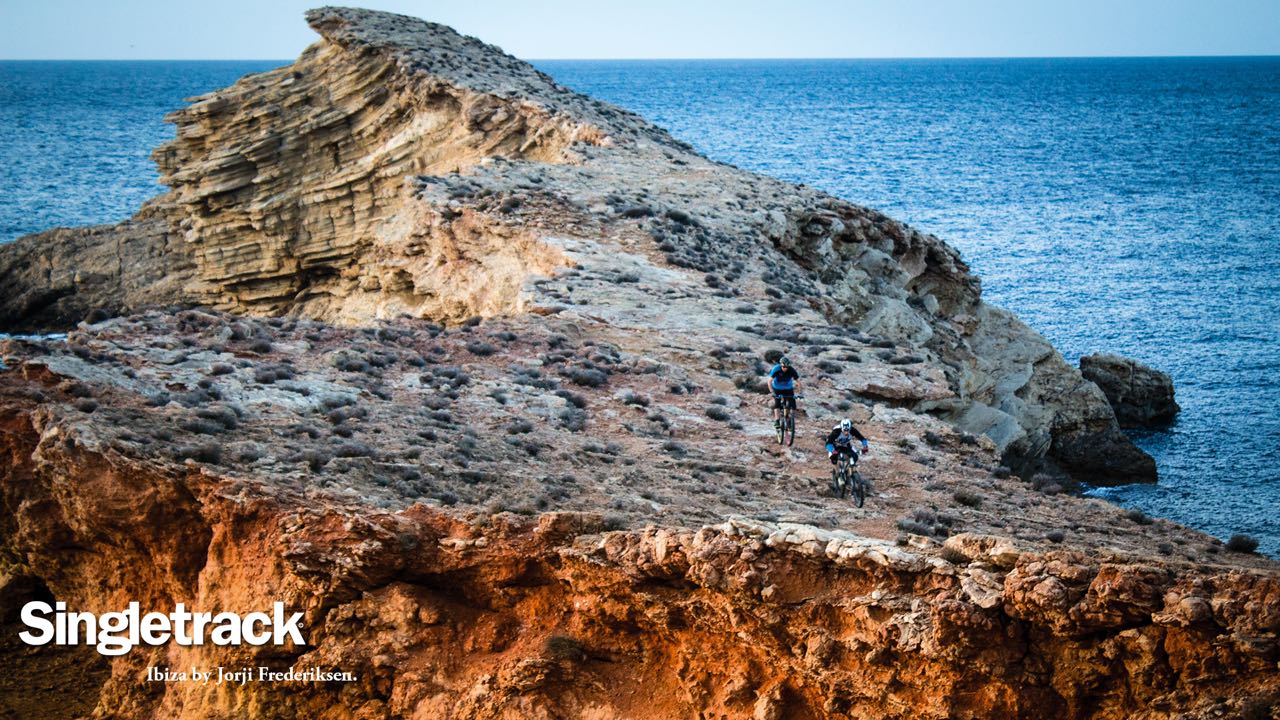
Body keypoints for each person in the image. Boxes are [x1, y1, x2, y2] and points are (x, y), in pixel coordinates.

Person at [767, 355, 800, 427]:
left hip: (788, 388)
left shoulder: (791, 370)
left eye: (787, 367)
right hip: (777, 388)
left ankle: (789, 419)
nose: (785, 368)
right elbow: (769, 381)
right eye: (783, 367)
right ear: (781, 365)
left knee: (792, 404)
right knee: (777, 404)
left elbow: (798, 381)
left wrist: (799, 392)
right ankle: (777, 421)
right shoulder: (776, 369)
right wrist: (771, 391)